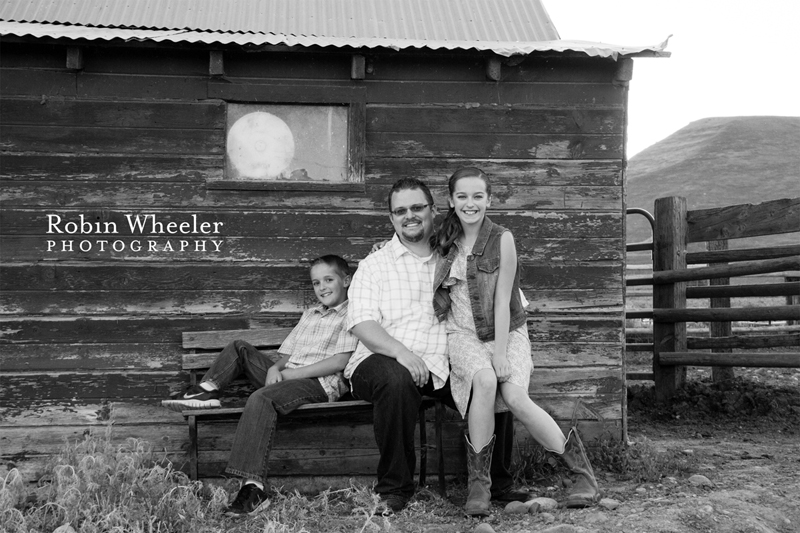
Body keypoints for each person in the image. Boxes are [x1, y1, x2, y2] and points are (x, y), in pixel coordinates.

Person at [345, 177, 533, 513]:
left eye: (417, 208)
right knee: (395, 379)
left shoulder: (456, 252)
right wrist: (402, 353)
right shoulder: (375, 264)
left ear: (433, 211)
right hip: (381, 359)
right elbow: (361, 322)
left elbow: (503, 301)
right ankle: (394, 490)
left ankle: (496, 484)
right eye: (400, 211)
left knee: (488, 382)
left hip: (444, 362)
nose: (409, 216)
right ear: (391, 219)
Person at [432, 167, 602, 515]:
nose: (470, 203)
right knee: (483, 379)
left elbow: (502, 300)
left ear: (489, 199)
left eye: (478, 196)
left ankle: (582, 476)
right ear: (451, 200)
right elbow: (414, 250)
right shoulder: (443, 238)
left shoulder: (502, 238)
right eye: (462, 196)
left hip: (506, 332)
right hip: (462, 333)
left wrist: (498, 352)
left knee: (514, 395)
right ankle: (479, 487)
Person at [162, 255, 358, 517]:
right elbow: (287, 356)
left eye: (328, 280)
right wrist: (276, 369)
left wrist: (291, 375)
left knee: (260, 398)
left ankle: (253, 489)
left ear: (346, 280)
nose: (322, 287)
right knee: (239, 347)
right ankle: (207, 390)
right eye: (315, 283)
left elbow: (340, 361)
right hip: (289, 376)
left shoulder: (354, 312)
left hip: (319, 384)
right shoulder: (310, 314)